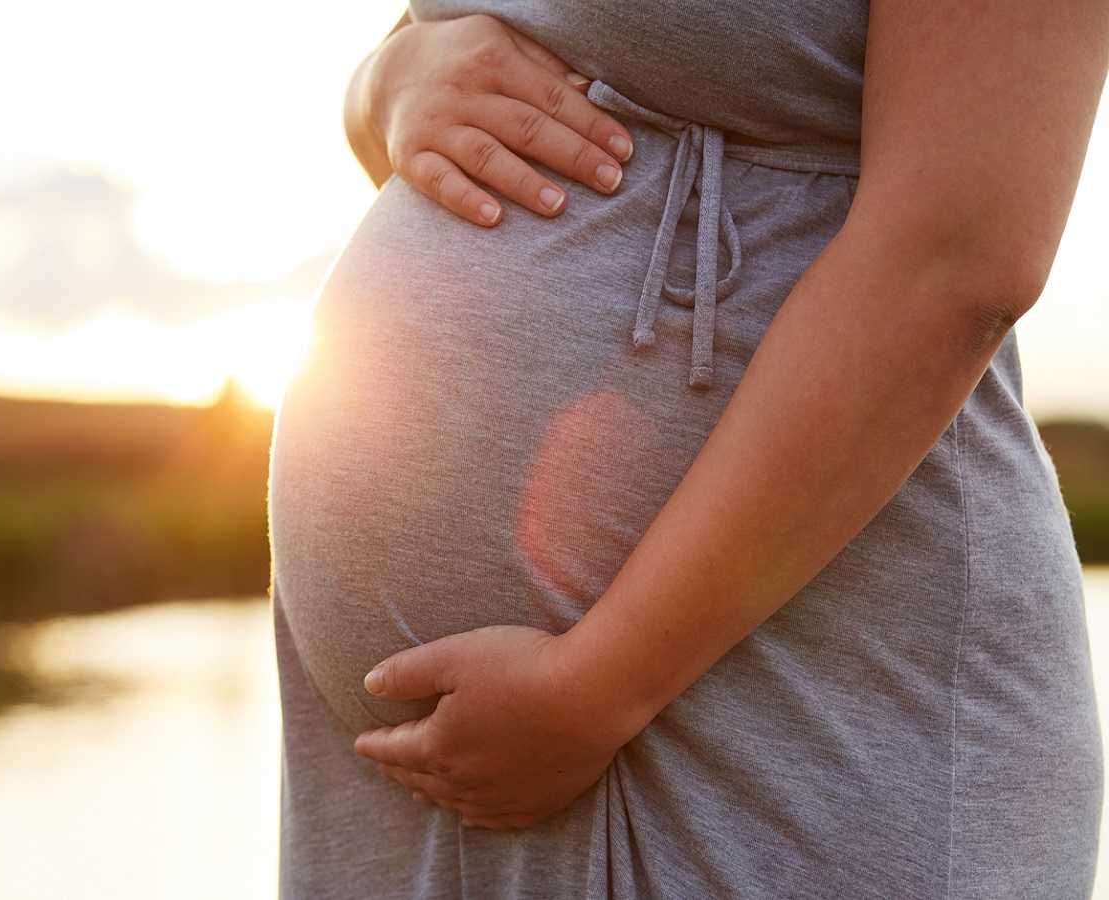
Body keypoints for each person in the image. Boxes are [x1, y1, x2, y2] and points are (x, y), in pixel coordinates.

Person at [268, 3, 1109, 897]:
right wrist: (383, 87)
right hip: (419, 783)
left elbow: (962, 252)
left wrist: (598, 687)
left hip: (781, 722)